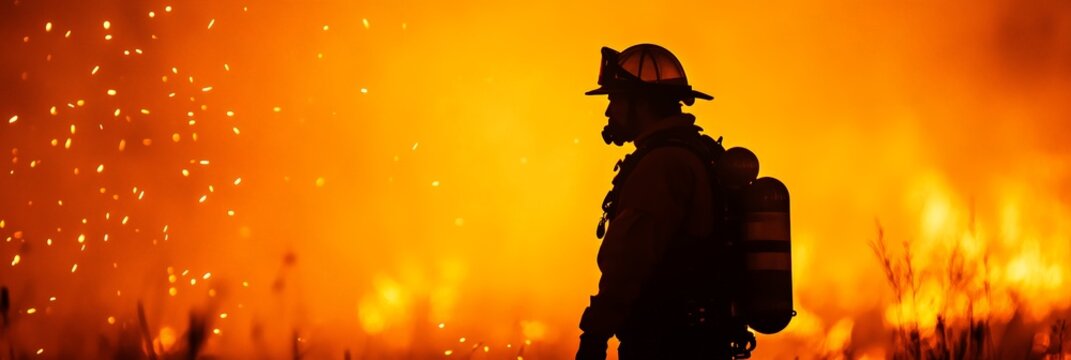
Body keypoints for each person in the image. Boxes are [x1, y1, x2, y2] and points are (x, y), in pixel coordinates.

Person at [577, 44, 742, 360]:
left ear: (641, 103)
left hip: (666, 342)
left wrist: (595, 334)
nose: (608, 112)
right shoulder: (696, 153)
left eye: (615, 100)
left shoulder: (662, 164)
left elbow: (629, 259)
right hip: (699, 341)